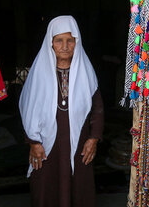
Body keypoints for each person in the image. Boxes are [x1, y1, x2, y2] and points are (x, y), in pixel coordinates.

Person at [19, 15, 104, 207]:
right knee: (45, 187)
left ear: (77, 42)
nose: (65, 46)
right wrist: (33, 142)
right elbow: (27, 109)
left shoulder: (86, 73)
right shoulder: (39, 74)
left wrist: (93, 139)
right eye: (59, 40)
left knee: (78, 189)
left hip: (80, 144)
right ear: (51, 43)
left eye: (70, 40)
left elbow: (97, 109)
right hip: (45, 147)